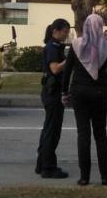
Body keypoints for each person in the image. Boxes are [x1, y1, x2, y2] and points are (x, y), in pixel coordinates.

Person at [62, 14, 107, 186]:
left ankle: (84, 177)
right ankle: (105, 176)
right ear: (101, 26)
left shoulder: (76, 44)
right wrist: (102, 71)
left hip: (79, 92)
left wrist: (64, 91)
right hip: (99, 93)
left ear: (86, 26)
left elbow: (67, 70)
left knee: (83, 134)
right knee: (100, 135)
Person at [36, 18, 71, 178]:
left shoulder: (56, 46)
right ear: (56, 31)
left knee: (48, 129)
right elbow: (55, 69)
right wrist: (70, 60)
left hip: (52, 93)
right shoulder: (52, 47)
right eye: (65, 31)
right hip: (53, 93)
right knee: (52, 131)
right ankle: (48, 168)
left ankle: (41, 163)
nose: (67, 34)